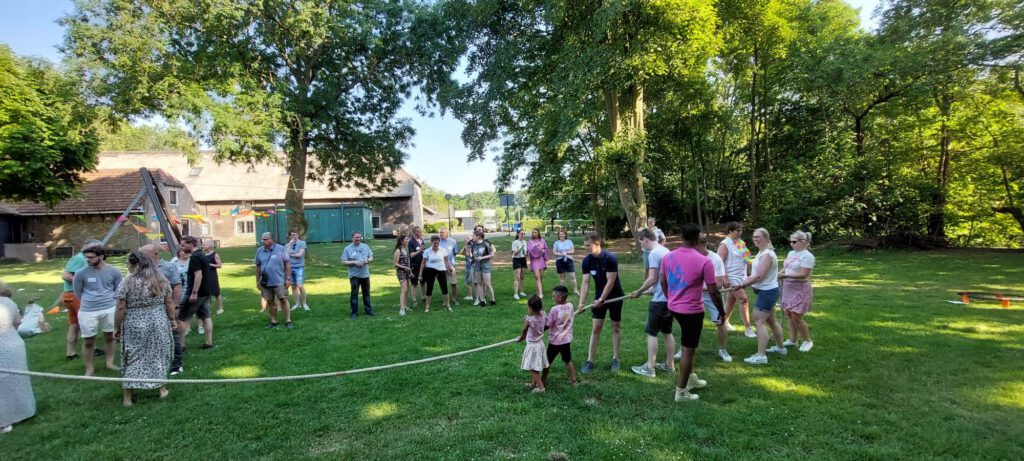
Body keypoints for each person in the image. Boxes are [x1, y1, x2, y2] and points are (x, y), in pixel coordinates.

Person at [660, 223, 726, 402]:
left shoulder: (668, 256)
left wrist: (670, 298)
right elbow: (713, 291)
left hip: (675, 308)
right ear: (698, 239)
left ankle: (690, 378)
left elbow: (663, 282)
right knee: (688, 350)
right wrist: (722, 312)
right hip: (692, 311)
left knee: (690, 346)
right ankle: (681, 392)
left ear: (681, 237)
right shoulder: (704, 261)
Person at [114, 252, 174, 406]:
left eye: (128, 263)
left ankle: (127, 397)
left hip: (134, 322)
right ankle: (161, 390)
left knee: (132, 356)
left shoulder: (127, 282)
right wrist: (172, 319)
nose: (127, 266)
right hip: (158, 320)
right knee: (158, 354)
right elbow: (169, 302)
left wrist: (116, 327)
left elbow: (120, 307)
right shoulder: (161, 280)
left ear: (135, 265)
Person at [733, 228, 785, 365]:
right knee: (772, 321)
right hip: (767, 291)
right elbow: (756, 274)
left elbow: (759, 276)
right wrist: (744, 280)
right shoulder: (762, 252)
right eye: (754, 237)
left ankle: (761, 356)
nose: (755, 239)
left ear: (766, 238)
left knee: (759, 322)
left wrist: (742, 285)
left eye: (758, 237)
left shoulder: (767, 254)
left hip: (767, 292)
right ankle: (780, 348)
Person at [629, 228, 675, 378]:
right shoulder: (665, 250)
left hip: (659, 301)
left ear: (645, 239)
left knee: (651, 333)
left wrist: (638, 291)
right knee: (667, 332)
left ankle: (650, 368)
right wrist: (653, 289)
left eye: (640, 242)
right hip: (669, 299)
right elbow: (662, 277)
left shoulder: (654, 254)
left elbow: (652, 278)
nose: (641, 245)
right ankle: (670, 365)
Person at [577, 233, 625, 374]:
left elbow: (610, 282)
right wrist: (581, 303)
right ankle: (590, 360)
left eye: (588, 246)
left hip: (615, 296)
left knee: (616, 327)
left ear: (597, 244)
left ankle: (616, 359)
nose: (586, 248)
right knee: (596, 328)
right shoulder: (587, 261)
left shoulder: (610, 258)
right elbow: (585, 282)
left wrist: (601, 300)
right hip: (599, 296)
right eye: (585, 246)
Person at [72, 245, 123, 376]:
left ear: (101, 256)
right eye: (86, 257)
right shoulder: (80, 273)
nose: (87, 260)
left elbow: (119, 290)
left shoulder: (114, 271)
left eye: (91, 257)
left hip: (110, 308)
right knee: (88, 341)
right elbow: (78, 292)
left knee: (110, 337)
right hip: (88, 310)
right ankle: (89, 369)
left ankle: (110, 363)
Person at [142, 243, 185, 376]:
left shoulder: (168, 267)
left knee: (172, 334)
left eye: (143, 254)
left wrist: (176, 306)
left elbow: (177, 287)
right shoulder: (140, 268)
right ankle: (154, 361)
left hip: (166, 307)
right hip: (147, 309)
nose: (140, 257)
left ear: (155, 254)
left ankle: (176, 364)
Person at [0, 280, 36, 433]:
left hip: (4, 348)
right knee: (16, 380)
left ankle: (3, 421)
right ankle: (21, 411)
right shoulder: (8, 302)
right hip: (14, 345)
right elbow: (17, 322)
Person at [59, 238, 100, 360]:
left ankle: (70, 354)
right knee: (87, 322)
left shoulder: (87, 259)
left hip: (73, 295)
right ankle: (92, 349)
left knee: (75, 325)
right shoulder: (79, 258)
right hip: (75, 295)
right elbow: (65, 275)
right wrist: (83, 283)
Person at [780, 230, 815, 352]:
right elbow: (786, 268)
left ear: (803, 242)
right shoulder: (791, 253)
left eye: (794, 241)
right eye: (790, 241)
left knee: (796, 317)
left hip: (800, 289)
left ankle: (807, 341)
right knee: (789, 314)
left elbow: (804, 275)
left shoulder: (808, 256)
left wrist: (785, 276)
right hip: (788, 287)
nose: (791, 244)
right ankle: (793, 340)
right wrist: (780, 273)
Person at [718, 222, 756, 337]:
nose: (740, 232)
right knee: (743, 299)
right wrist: (724, 278)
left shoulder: (740, 243)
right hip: (731, 277)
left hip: (741, 277)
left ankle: (723, 323)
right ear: (730, 231)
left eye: (741, 230)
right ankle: (748, 328)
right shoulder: (725, 244)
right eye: (737, 230)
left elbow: (747, 259)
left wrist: (749, 272)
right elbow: (719, 263)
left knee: (731, 301)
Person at [178, 236, 215, 350]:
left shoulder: (195, 257)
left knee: (181, 317)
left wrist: (194, 293)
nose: (181, 247)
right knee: (206, 317)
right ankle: (208, 343)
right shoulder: (202, 255)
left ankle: (181, 345)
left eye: (183, 245)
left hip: (196, 293)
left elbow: (198, 275)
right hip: (205, 292)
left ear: (191, 244)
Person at [255, 232, 293, 328]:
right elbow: (258, 267)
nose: (263, 241)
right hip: (265, 282)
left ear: (272, 239)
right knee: (270, 301)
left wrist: (288, 279)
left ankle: (288, 320)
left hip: (279, 280)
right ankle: (273, 321)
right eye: (263, 239)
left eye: (266, 239)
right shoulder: (259, 251)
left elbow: (287, 263)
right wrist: (257, 281)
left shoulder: (281, 249)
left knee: (283, 299)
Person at [542, 285, 577, 388]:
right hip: (566, 340)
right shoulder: (570, 305)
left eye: (553, 296)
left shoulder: (554, 309)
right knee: (568, 360)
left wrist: (539, 329)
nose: (552, 298)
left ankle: (542, 382)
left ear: (559, 298)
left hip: (555, 342)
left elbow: (548, 324)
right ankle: (574, 381)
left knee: (547, 362)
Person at [517, 295, 549, 394]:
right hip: (540, 344)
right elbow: (546, 325)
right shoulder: (543, 314)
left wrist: (520, 338)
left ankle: (540, 387)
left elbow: (524, 331)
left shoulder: (529, 320)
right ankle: (534, 383)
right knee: (536, 364)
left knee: (532, 367)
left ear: (530, 308)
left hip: (532, 346)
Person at [342, 231, 375, 319]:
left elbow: (371, 257)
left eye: (360, 237)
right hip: (354, 276)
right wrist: (354, 262)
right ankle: (354, 313)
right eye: (356, 237)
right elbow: (343, 262)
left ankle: (368, 311)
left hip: (365, 275)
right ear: (352, 238)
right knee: (354, 294)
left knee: (366, 293)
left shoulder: (365, 246)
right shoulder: (347, 248)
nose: (358, 239)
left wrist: (367, 261)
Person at [419, 235, 455, 312]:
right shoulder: (427, 251)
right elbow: (423, 263)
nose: (436, 244)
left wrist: (450, 268)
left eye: (437, 243)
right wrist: (420, 274)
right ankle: (427, 307)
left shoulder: (443, 250)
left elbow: (446, 260)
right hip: (430, 270)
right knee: (429, 288)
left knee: (444, 288)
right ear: (431, 242)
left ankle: (448, 305)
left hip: (441, 270)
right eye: (434, 243)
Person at [469, 229, 496, 306]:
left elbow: (492, 254)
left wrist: (482, 258)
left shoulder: (486, 244)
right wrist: (472, 256)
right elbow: (472, 255)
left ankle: (492, 300)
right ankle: (482, 301)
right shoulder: (473, 245)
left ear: (479, 236)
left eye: (474, 235)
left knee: (487, 284)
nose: (472, 237)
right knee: (479, 283)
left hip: (485, 265)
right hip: (477, 265)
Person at [286, 230, 309, 311]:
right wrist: (289, 245)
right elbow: (285, 254)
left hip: (299, 267)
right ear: (289, 236)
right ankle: (297, 304)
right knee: (293, 286)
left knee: (300, 285)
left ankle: (304, 303)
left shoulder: (302, 243)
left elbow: (299, 254)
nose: (295, 237)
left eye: (296, 235)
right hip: (290, 267)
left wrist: (290, 254)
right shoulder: (287, 245)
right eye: (293, 235)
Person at [552, 230, 579, 295]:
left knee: (572, 276)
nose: (561, 235)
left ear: (565, 235)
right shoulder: (556, 243)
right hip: (559, 261)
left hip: (569, 260)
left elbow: (572, 251)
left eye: (563, 234)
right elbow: (554, 252)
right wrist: (561, 254)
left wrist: (566, 252)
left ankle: (575, 290)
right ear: (558, 235)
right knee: (562, 277)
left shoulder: (569, 241)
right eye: (560, 234)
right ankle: (563, 291)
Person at [438, 228, 460, 305]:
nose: (440, 234)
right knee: (443, 284)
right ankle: (445, 300)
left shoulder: (453, 241)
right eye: (440, 232)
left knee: (453, 283)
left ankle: (454, 299)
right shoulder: (438, 242)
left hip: (451, 266)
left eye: (442, 232)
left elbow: (455, 252)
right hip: (441, 266)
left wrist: (450, 262)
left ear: (447, 233)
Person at [201, 241, 224, 315]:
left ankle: (220, 308)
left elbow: (219, 265)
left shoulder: (215, 254)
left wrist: (210, 264)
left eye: (204, 245)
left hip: (212, 275)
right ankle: (208, 309)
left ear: (209, 246)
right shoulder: (202, 254)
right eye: (202, 245)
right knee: (207, 293)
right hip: (204, 276)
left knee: (216, 292)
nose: (202, 246)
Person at [393, 235, 414, 316]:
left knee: (407, 290)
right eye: (406, 239)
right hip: (401, 272)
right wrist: (405, 268)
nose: (407, 240)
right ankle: (401, 309)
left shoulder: (405, 249)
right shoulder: (398, 251)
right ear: (401, 241)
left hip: (407, 271)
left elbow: (407, 261)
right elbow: (395, 264)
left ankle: (405, 306)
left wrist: (410, 271)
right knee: (404, 290)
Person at [407, 227, 426, 308]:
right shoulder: (411, 242)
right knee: (414, 283)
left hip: (422, 265)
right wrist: (420, 251)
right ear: (414, 232)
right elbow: (411, 255)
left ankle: (423, 298)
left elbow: (423, 251)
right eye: (417, 231)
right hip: (414, 266)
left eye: (420, 231)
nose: (419, 233)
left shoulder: (421, 240)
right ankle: (414, 300)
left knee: (422, 282)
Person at [527, 228, 549, 296]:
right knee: (537, 277)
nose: (534, 234)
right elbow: (529, 251)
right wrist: (534, 248)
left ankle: (538, 292)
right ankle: (541, 294)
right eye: (533, 232)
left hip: (541, 260)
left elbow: (546, 249)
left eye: (535, 232)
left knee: (540, 277)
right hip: (534, 260)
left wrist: (545, 258)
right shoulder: (530, 241)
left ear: (538, 233)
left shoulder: (542, 241)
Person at [510, 230, 528, 299]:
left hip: (523, 259)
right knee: (517, 277)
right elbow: (515, 253)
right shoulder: (515, 242)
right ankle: (515, 293)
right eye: (521, 233)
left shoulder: (525, 242)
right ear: (518, 234)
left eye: (524, 234)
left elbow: (525, 252)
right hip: (516, 259)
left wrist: (526, 254)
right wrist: (521, 248)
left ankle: (521, 291)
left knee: (522, 277)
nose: (523, 235)